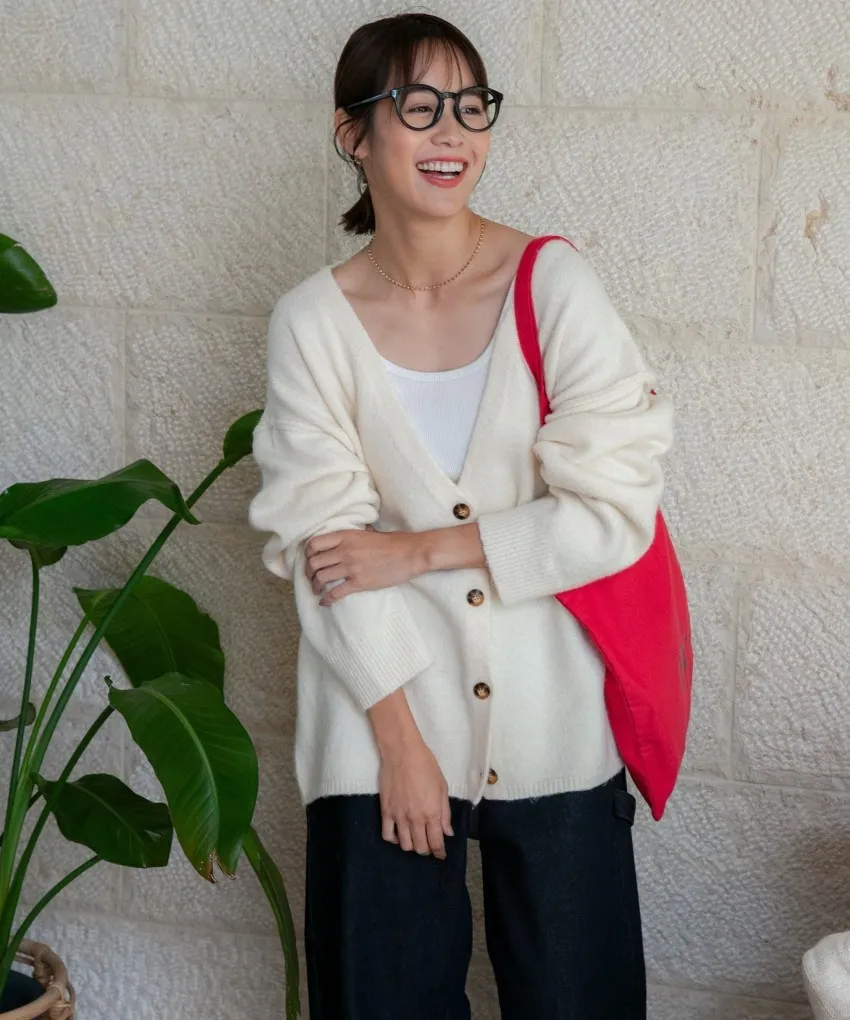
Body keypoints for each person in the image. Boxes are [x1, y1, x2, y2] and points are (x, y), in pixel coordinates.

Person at [248, 11, 674, 1020]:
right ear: (354, 134)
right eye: (417, 105)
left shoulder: (552, 285)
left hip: (554, 720)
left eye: (471, 105)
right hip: (373, 723)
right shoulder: (311, 322)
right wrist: (400, 744)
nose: (451, 132)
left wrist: (417, 551)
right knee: (381, 1000)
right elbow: (323, 544)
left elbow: (613, 509)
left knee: (581, 1001)